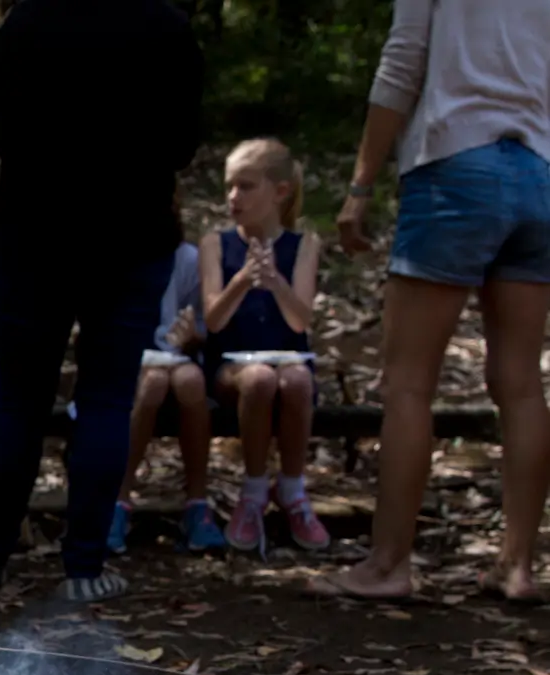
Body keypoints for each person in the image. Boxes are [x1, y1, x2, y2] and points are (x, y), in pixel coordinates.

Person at [0, 0, 204, 602]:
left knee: (23, 399)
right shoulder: (166, 26)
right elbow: (183, 144)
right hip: (133, 238)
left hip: (36, 236)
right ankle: (84, 567)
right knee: (108, 399)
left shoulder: (27, 24)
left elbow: (6, 134)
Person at [314, 0, 550, 602]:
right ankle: (517, 565)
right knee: (521, 383)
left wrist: (360, 186)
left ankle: (389, 564)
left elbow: (401, 64)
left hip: (454, 165)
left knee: (409, 383)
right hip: (539, 174)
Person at [199, 139, 327, 554]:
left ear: (280, 192)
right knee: (258, 381)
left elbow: (299, 320)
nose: (234, 197)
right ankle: (253, 491)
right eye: (229, 187)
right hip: (230, 366)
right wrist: (242, 280)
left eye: (246, 186)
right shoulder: (215, 244)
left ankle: (292, 490)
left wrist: (275, 281)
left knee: (295, 382)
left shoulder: (303, 244)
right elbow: (214, 322)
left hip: (288, 357)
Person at [108, 237, 225, 554]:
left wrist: (191, 337)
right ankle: (117, 501)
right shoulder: (112, 252)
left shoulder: (186, 258)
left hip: (174, 358)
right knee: (153, 385)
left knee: (191, 382)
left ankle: (197, 506)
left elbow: (203, 330)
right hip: (126, 360)